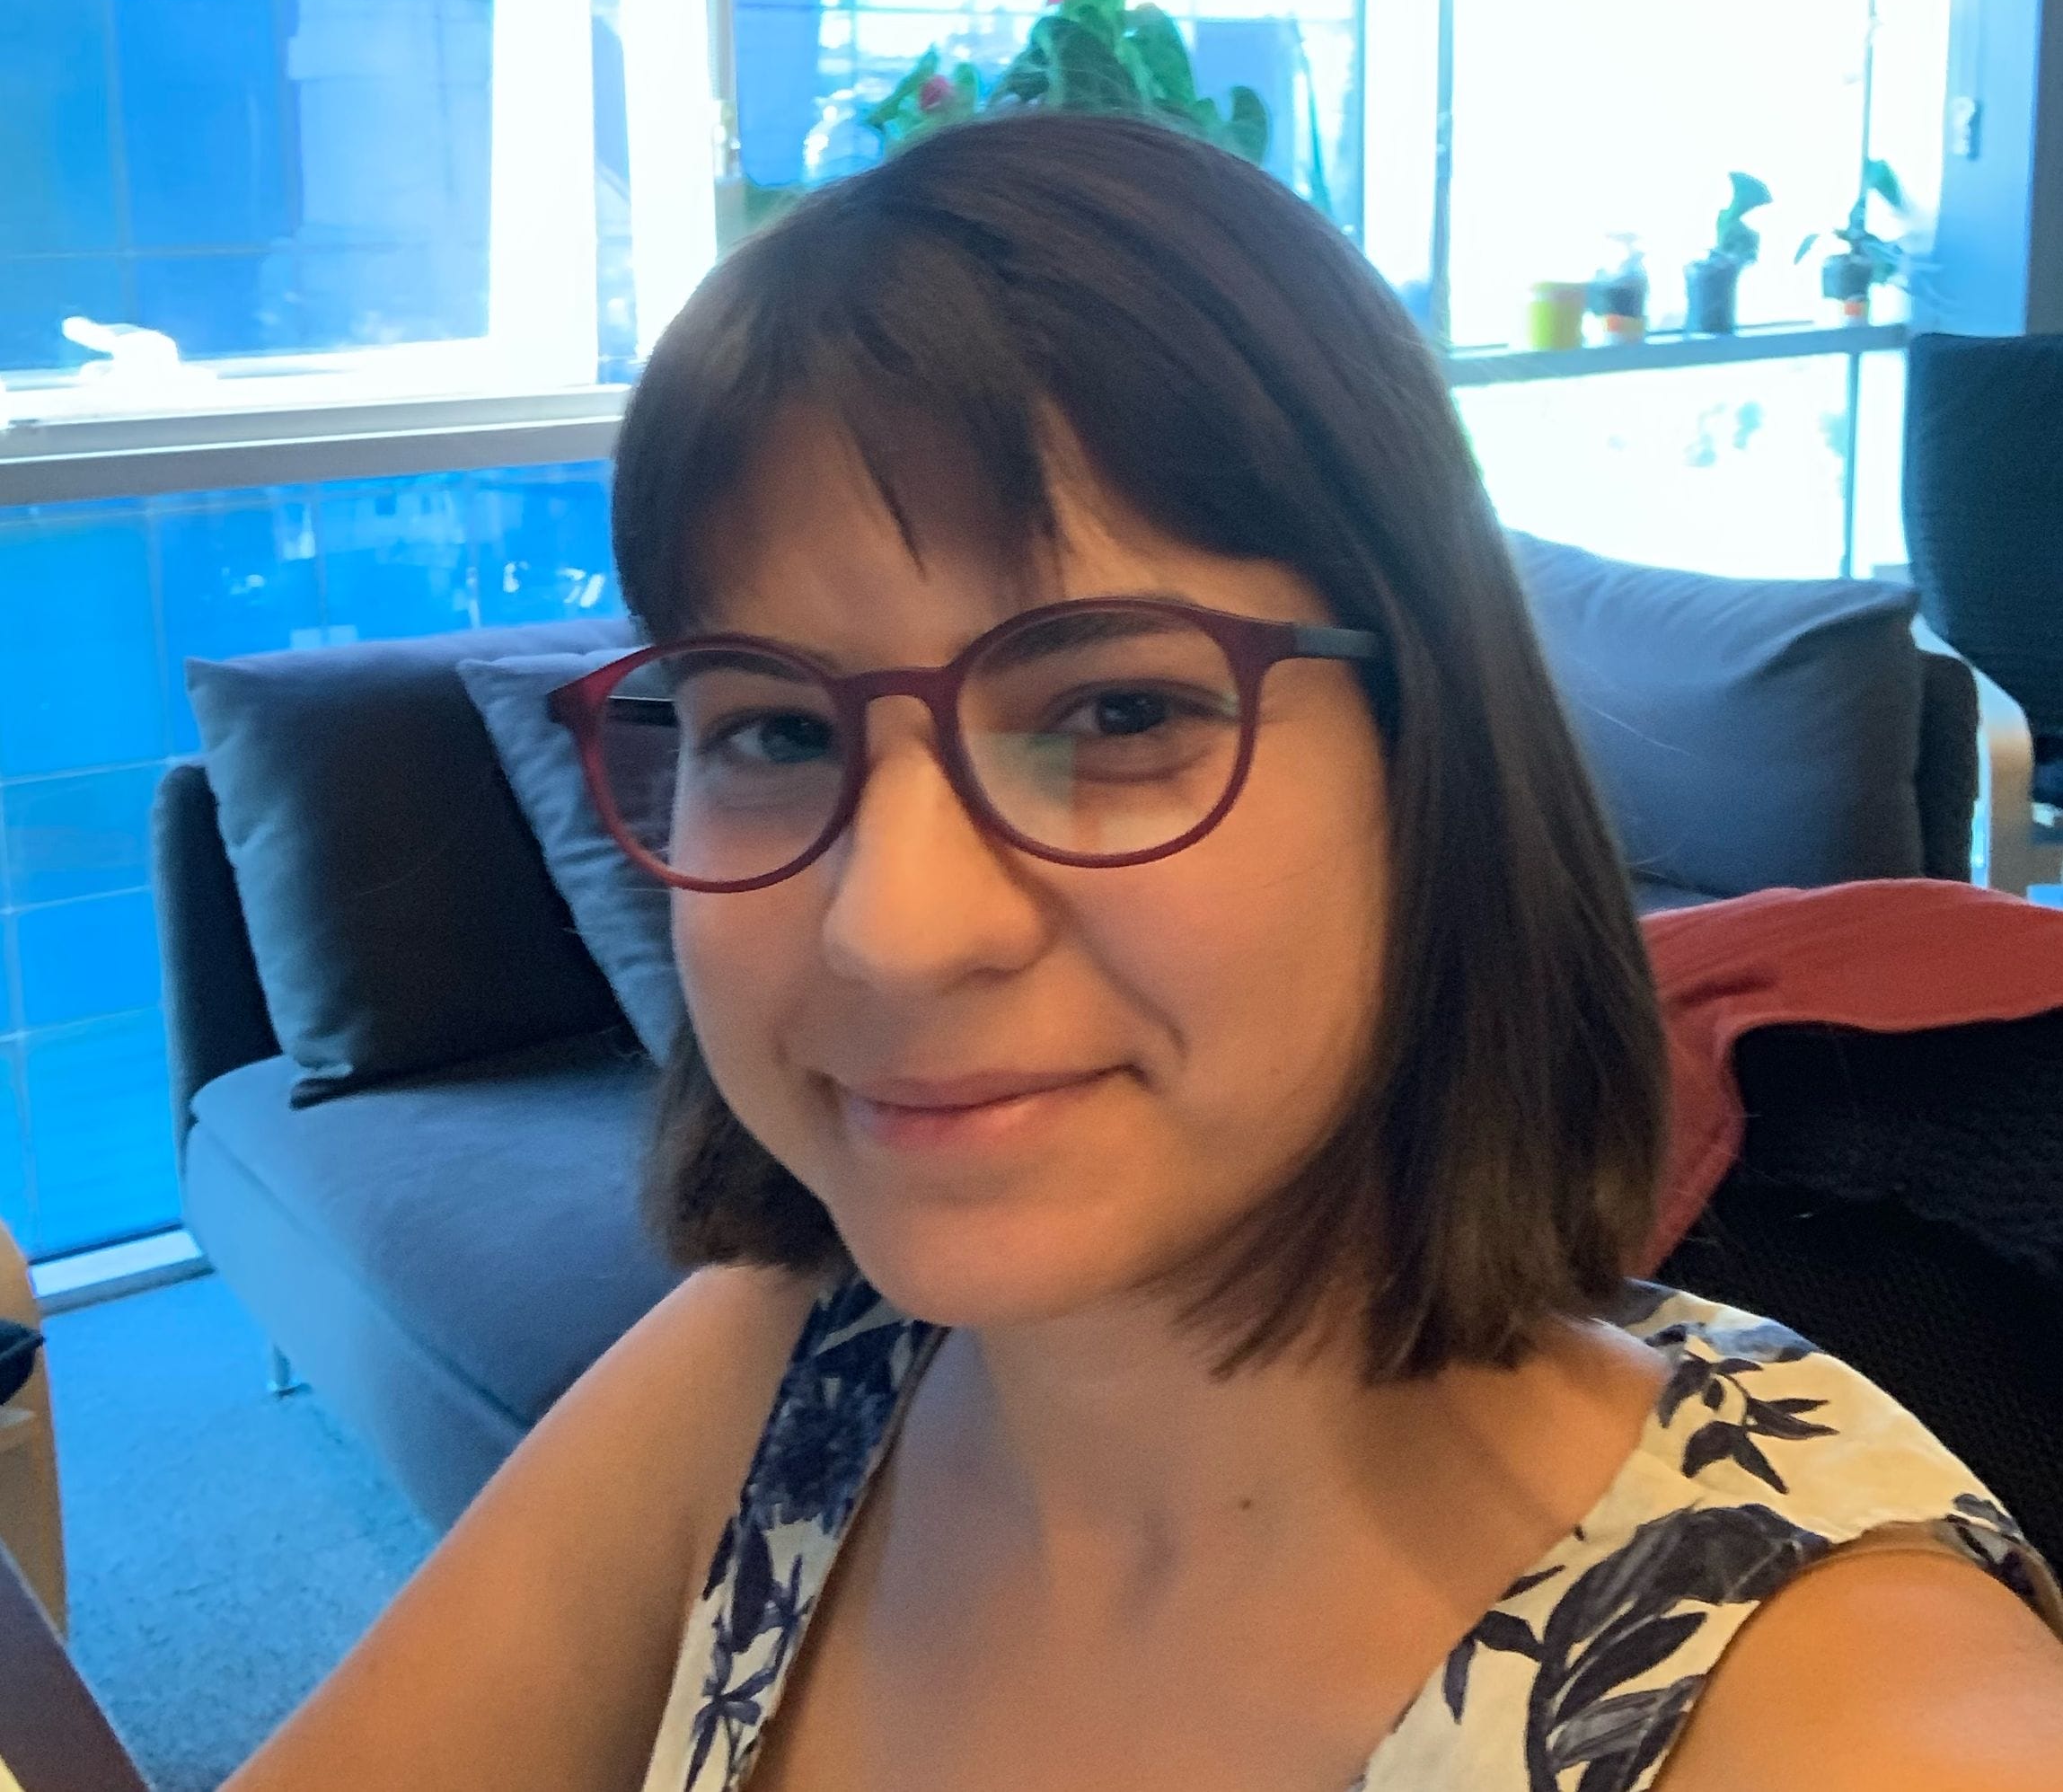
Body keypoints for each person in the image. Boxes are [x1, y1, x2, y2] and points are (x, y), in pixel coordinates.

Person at [229, 115, 2063, 1792]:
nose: (893, 930)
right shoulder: (793, 1364)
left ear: (1434, 772)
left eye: (1115, 712)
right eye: (773, 729)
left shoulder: (1840, 1709)